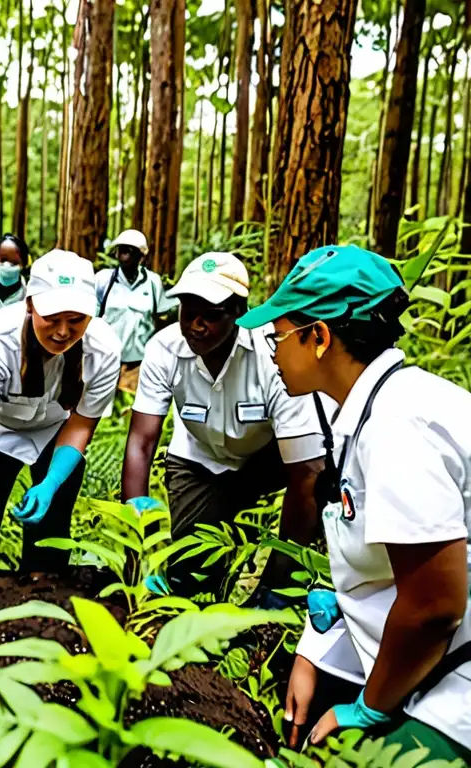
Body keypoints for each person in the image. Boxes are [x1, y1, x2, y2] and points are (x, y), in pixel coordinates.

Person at [238, 244, 471, 761]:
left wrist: (368, 708)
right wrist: (315, 649)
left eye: (278, 336)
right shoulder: (365, 413)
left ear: (318, 337)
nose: (272, 353)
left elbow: (435, 607)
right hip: (411, 662)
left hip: (455, 684)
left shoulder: (399, 425)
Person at [121, 252, 324, 599]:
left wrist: (277, 584)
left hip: (268, 460)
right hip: (199, 459)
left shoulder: (273, 354)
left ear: (239, 313)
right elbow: (141, 443)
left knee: (313, 500)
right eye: (189, 312)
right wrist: (135, 543)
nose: (196, 325)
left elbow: (306, 470)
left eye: (211, 316)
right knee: (190, 577)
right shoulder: (164, 350)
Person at [0, 249, 120, 574]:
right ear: (29, 305)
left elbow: (81, 424)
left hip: (55, 429)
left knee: (50, 533)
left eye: (76, 319)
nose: (63, 332)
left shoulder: (105, 348)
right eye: (52, 319)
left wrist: (52, 481)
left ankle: (42, 596)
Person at [95, 229, 178, 392]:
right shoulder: (103, 280)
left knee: (128, 411)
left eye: (130, 250)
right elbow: (91, 318)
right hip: (104, 363)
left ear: (141, 256)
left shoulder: (153, 282)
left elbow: (161, 316)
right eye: (121, 249)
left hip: (137, 366)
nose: (124, 254)